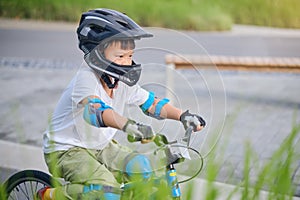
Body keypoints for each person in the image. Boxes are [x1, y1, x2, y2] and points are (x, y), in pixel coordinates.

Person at [37, 8, 206, 200]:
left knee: (142, 168)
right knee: (107, 190)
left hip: (101, 146)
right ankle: (50, 195)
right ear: (97, 53)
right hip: (66, 150)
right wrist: (129, 126)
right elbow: (96, 112)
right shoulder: (86, 79)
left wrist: (183, 116)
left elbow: (152, 104)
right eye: (120, 56)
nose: (127, 62)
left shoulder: (120, 81)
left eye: (130, 55)